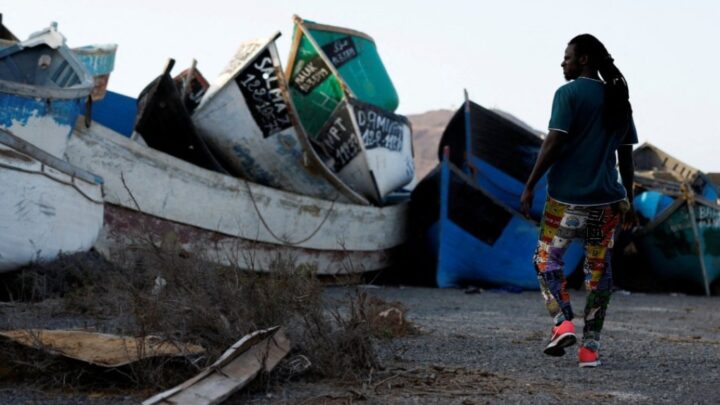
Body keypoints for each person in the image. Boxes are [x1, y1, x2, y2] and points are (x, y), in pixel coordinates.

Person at [520, 34, 637, 368]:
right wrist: (627, 201)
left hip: (566, 202)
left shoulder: (568, 94)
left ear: (584, 59)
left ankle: (563, 323)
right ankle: (590, 350)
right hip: (607, 203)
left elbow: (554, 141)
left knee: (546, 261)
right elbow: (626, 157)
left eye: (567, 57)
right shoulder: (618, 99)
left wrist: (530, 185)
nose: (563, 62)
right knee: (599, 273)